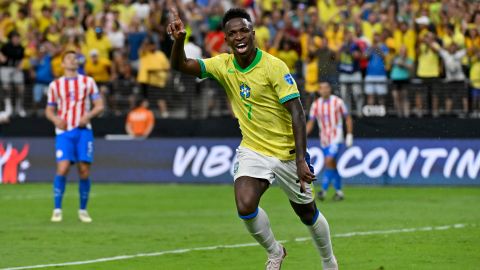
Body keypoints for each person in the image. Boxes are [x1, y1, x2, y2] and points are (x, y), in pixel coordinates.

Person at [168, 8, 337, 270]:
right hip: (253, 149)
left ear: (253, 33)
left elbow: (298, 112)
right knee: (245, 205)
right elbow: (181, 65)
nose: (239, 37)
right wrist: (179, 40)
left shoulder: (273, 67)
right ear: (226, 39)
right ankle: (275, 252)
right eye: (232, 33)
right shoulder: (223, 65)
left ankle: (329, 262)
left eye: (244, 30)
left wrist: (302, 160)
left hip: (288, 153)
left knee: (307, 213)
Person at [45, 50, 104, 223]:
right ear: (62, 64)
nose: (72, 60)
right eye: (68, 58)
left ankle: (83, 210)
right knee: (62, 168)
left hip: (84, 131)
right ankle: (57, 209)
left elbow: (99, 105)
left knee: (84, 170)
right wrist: (56, 119)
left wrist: (88, 116)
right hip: (64, 132)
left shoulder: (88, 82)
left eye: (74, 58)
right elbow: (49, 110)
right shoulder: (55, 85)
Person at [306, 82, 353, 201]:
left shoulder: (338, 102)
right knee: (332, 164)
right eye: (322, 88)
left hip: (336, 137)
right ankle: (339, 192)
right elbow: (311, 122)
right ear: (319, 91)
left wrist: (349, 135)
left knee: (329, 160)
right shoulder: (316, 104)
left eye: (327, 87)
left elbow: (347, 118)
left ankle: (323, 190)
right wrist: (302, 135)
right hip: (324, 139)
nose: (324, 90)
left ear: (330, 89)